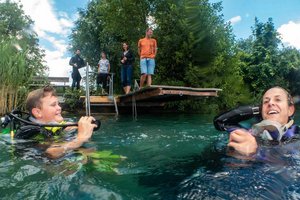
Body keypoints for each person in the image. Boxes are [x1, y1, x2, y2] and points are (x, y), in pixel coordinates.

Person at [21, 86, 97, 159]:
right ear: (38, 112)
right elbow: (51, 152)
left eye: (58, 104)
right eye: (53, 105)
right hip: (43, 163)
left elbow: (52, 132)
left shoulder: (48, 125)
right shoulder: (31, 132)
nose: (59, 108)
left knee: (89, 153)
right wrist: (81, 137)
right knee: (85, 157)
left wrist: (67, 129)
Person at [226, 86, 296, 156]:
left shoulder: (296, 136)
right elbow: (222, 122)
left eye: (278, 99)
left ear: (290, 110)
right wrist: (255, 109)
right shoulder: (250, 134)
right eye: (266, 102)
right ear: (261, 111)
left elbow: (288, 163)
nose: (270, 103)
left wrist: (255, 153)